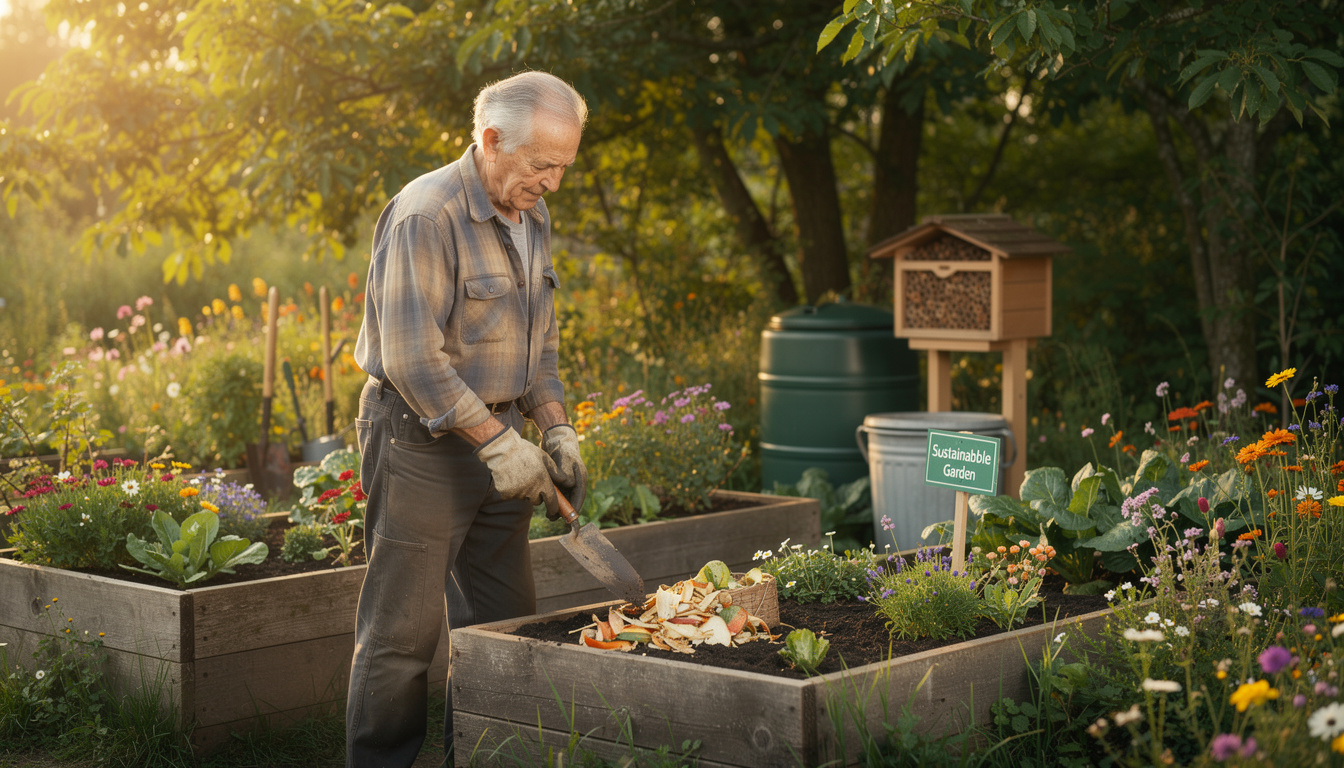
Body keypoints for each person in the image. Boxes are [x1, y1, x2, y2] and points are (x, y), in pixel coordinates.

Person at [345, 70, 590, 768]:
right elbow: (410, 359)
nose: (554, 183)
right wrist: (493, 443)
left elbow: (539, 346)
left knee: (506, 624)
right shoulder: (428, 213)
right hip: (420, 441)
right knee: (403, 636)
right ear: (490, 140)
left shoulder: (532, 215)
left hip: (504, 440)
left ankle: (486, 756)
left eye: (564, 167)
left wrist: (554, 426)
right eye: (543, 165)